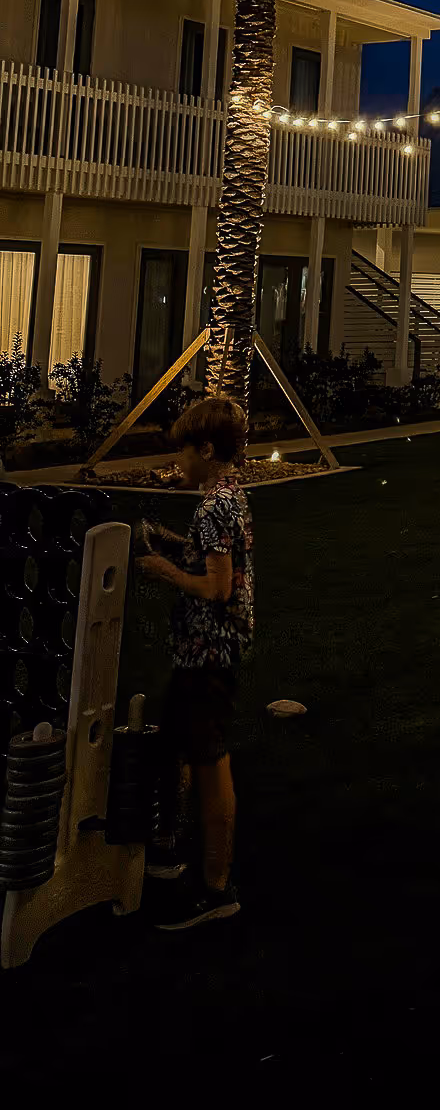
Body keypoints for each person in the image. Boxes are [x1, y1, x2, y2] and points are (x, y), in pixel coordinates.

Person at [134, 397, 254, 930]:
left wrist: (163, 570)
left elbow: (218, 586)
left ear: (206, 449)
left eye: (184, 451)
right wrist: (170, 541)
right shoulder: (226, 498)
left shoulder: (214, 506)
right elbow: (216, 556)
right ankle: (167, 852)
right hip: (198, 652)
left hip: (209, 653)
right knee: (172, 744)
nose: (179, 461)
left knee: (209, 761)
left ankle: (216, 888)